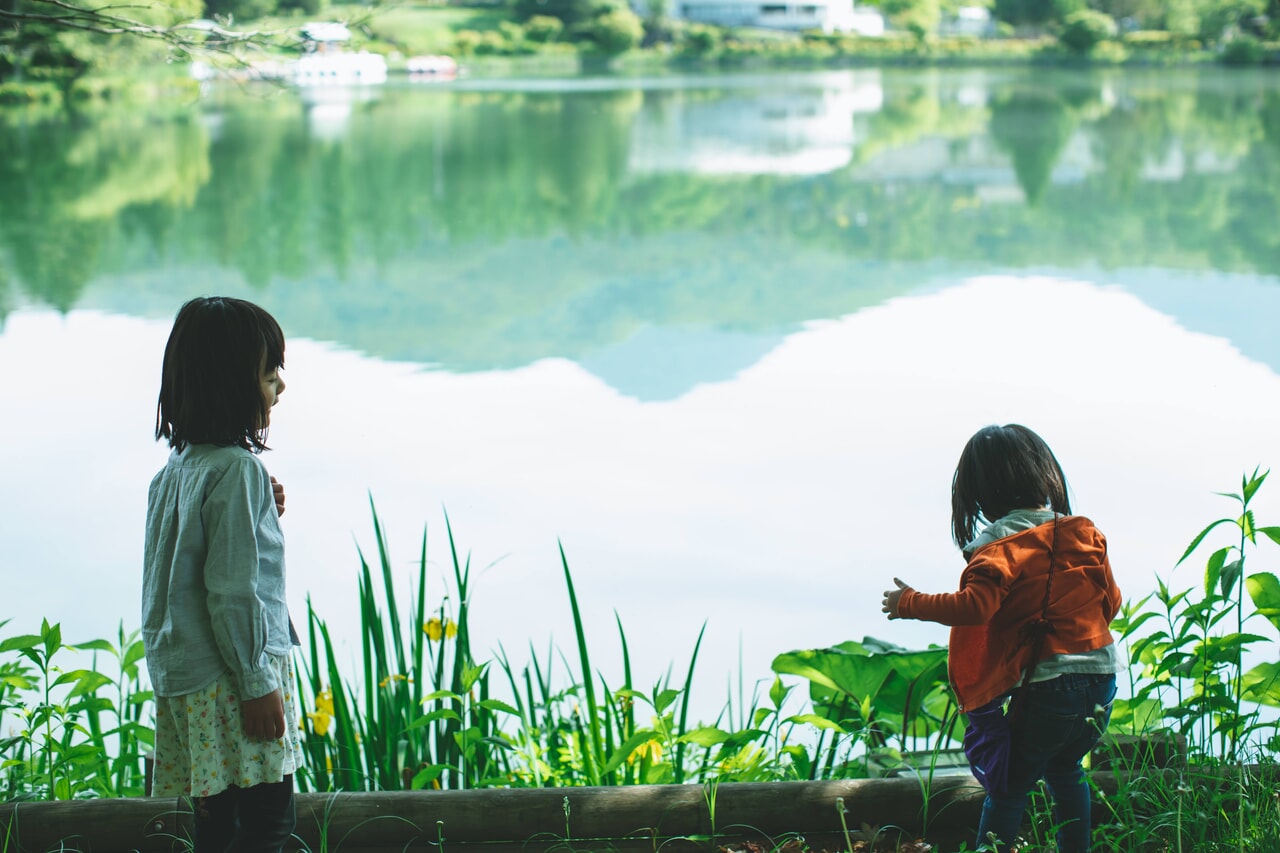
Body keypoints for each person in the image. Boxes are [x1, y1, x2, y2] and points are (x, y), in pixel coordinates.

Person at [880, 424, 1122, 853]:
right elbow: (1111, 603)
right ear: (1046, 474)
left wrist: (910, 602)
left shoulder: (999, 547)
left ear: (977, 493)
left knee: (1009, 787)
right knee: (1067, 770)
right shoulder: (1084, 533)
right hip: (1102, 679)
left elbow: (975, 607)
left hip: (1048, 687)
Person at [142, 296, 303, 852]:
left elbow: (189, 564)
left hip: (191, 685)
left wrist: (260, 510)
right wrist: (258, 683)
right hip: (234, 686)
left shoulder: (178, 470)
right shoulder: (236, 471)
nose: (280, 386)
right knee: (266, 825)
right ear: (232, 385)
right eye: (269, 375)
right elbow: (233, 592)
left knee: (218, 827)